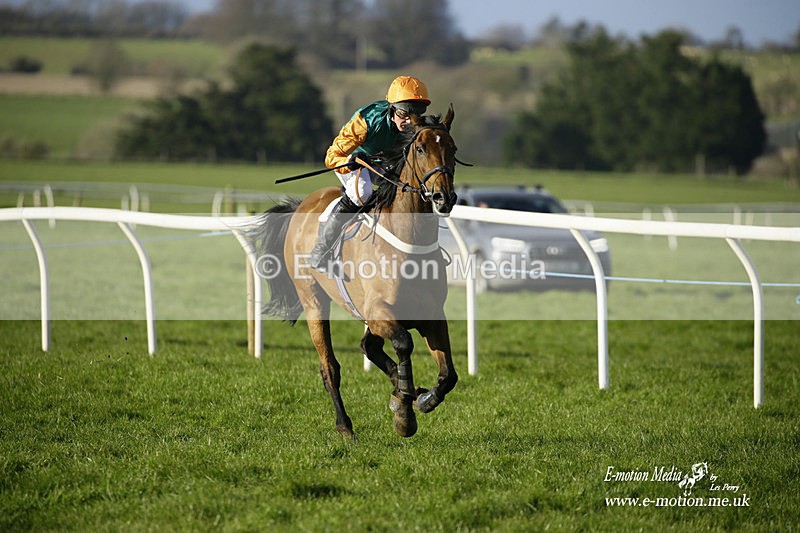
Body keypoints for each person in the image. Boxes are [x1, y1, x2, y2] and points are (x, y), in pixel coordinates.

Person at [309, 75, 431, 274]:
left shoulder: (416, 127)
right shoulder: (367, 120)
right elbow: (332, 157)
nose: (409, 121)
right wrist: (350, 162)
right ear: (392, 108)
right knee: (363, 192)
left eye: (416, 114)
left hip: (384, 163)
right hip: (354, 161)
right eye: (403, 114)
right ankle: (321, 251)